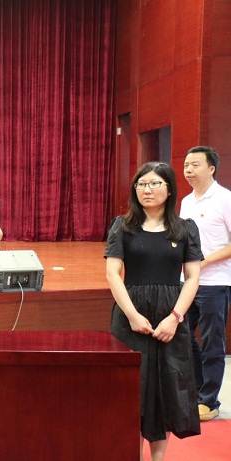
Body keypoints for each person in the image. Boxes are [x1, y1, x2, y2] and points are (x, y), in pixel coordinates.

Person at [105, 162, 202, 461]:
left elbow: (193, 277)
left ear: (169, 189)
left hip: (171, 316)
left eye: (154, 183)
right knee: (133, 388)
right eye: (141, 184)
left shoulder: (185, 228)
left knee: (167, 388)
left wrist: (175, 318)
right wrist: (132, 315)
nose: (147, 189)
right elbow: (112, 274)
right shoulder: (122, 226)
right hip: (130, 316)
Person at [180, 146, 231, 421]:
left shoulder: (225, 199)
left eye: (195, 165)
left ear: (211, 168)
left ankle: (209, 401)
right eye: (186, 165)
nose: (188, 170)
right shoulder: (187, 201)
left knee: (212, 342)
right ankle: (197, 391)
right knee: (183, 337)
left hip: (216, 283)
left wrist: (205, 261)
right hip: (187, 281)